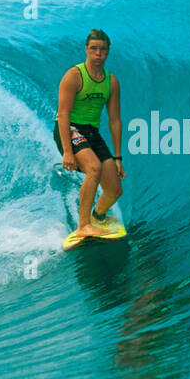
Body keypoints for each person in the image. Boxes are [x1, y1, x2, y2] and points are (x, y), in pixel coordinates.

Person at [53, 30, 124, 237]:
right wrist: (67, 151)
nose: (98, 54)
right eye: (93, 49)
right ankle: (83, 226)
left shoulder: (111, 82)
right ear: (86, 49)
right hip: (69, 128)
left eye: (102, 49)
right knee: (94, 167)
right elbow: (63, 115)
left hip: (91, 133)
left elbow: (115, 121)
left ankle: (98, 216)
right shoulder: (74, 76)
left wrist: (117, 157)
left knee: (114, 190)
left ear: (108, 51)